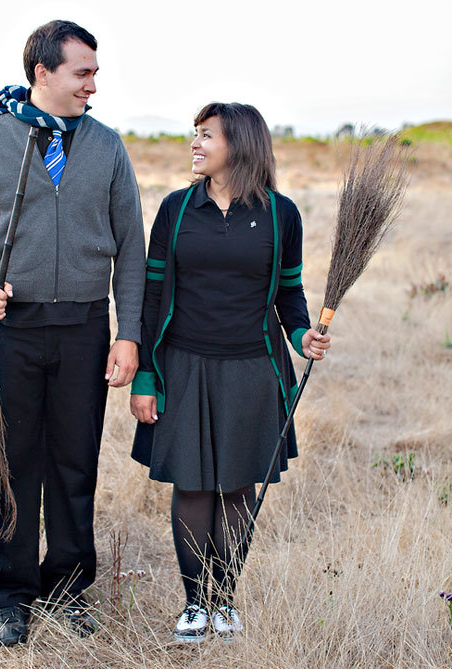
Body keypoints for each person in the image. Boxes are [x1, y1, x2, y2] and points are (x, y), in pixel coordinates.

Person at [0, 20, 145, 645]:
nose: (92, 85)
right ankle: (12, 597)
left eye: (95, 74)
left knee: (74, 464)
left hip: (84, 326)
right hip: (11, 330)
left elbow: (131, 249)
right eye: (82, 73)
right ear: (42, 73)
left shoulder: (108, 147)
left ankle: (69, 591)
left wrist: (127, 332)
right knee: (14, 463)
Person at [130, 103, 330, 642]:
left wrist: (302, 335)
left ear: (238, 144)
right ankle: (195, 604)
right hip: (183, 366)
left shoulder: (281, 214)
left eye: (206, 135)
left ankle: (224, 601)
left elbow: (289, 292)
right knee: (192, 486)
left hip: (252, 368)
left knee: (238, 487)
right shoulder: (175, 209)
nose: (194, 144)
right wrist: (146, 376)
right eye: (194, 135)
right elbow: (152, 297)